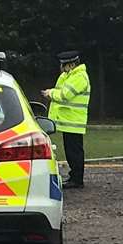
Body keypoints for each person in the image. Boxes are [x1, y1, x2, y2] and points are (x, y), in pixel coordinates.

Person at [44, 50, 90, 188]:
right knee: (71, 151)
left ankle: (77, 179)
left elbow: (65, 95)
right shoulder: (70, 76)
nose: (61, 68)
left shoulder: (79, 77)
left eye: (63, 65)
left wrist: (50, 93)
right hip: (69, 121)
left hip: (73, 121)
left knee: (74, 152)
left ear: (70, 65)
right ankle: (74, 177)